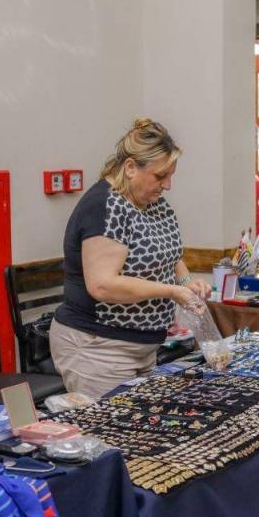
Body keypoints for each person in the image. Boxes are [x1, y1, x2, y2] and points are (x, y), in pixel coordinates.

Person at [50, 118, 211, 399]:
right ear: (130, 167)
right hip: (99, 348)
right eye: (160, 176)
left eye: (170, 176)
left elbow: (167, 251)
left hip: (143, 348)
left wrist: (186, 281)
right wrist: (172, 291)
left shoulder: (151, 201)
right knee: (110, 425)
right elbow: (102, 285)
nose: (167, 185)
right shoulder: (105, 206)